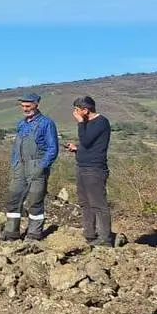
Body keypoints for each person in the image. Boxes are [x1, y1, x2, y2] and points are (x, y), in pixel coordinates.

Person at [0, 93, 60, 241]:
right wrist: (14, 162)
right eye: (23, 106)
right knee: (14, 198)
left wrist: (41, 166)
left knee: (35, 200)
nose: (25, 109)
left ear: (36, 104)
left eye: (28, 106)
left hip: (36, 165)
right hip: (20, 166)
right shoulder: (21, 124)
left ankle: (34, 234)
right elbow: (16, 146)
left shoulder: (47, 123)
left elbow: (53, 148)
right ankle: (11, 233)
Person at [65, 95, 113, 247]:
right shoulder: (88, 123)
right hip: (82, 166)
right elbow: (88, 145)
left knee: (98, 204)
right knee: (85, 203)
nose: (75, 113)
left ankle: (105, 239)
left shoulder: (101, 122)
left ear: (85, 110)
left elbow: (86, 140)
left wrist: (80, 123)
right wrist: (76, 149)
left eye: (77, 110)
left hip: (94, 169)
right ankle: (89, 234)